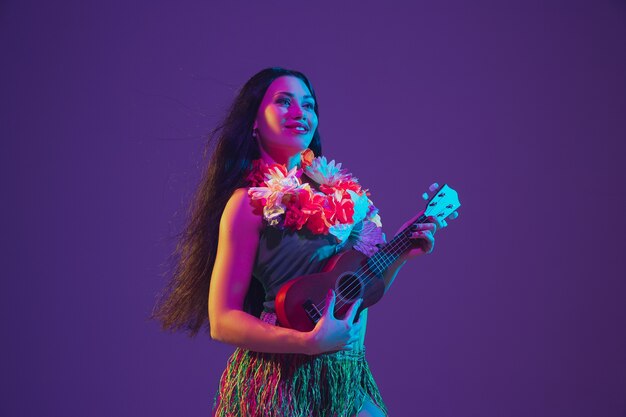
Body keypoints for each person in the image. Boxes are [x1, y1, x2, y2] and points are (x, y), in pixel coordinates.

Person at [152, 67, 458, 417]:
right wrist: (307, 343)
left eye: (309, 105)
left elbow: (358, 293)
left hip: (345, 379)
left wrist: (403, 254)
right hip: (281, 386)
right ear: (254, 121)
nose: (300, 112)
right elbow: (223, 320)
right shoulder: (248, 204)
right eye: (284, 102)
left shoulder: (349, 200)